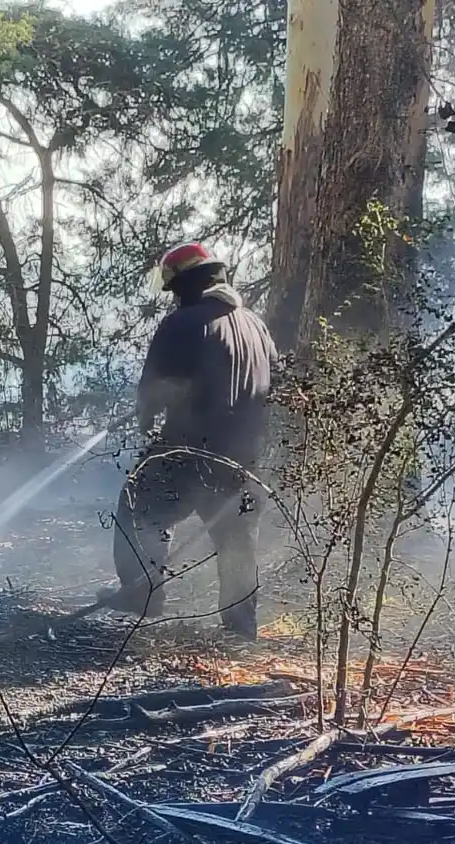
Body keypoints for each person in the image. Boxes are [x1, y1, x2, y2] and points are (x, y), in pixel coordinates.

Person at [99, 241, 277, 638]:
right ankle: (240, 630)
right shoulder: (257, 327)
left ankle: (140, 598)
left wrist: (145, 417)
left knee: (137, 508)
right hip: (244, 461)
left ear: (186, 285)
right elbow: (273, 389)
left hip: (187, 454)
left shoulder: (182, 324)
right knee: (237, 543)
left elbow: (154, 390)